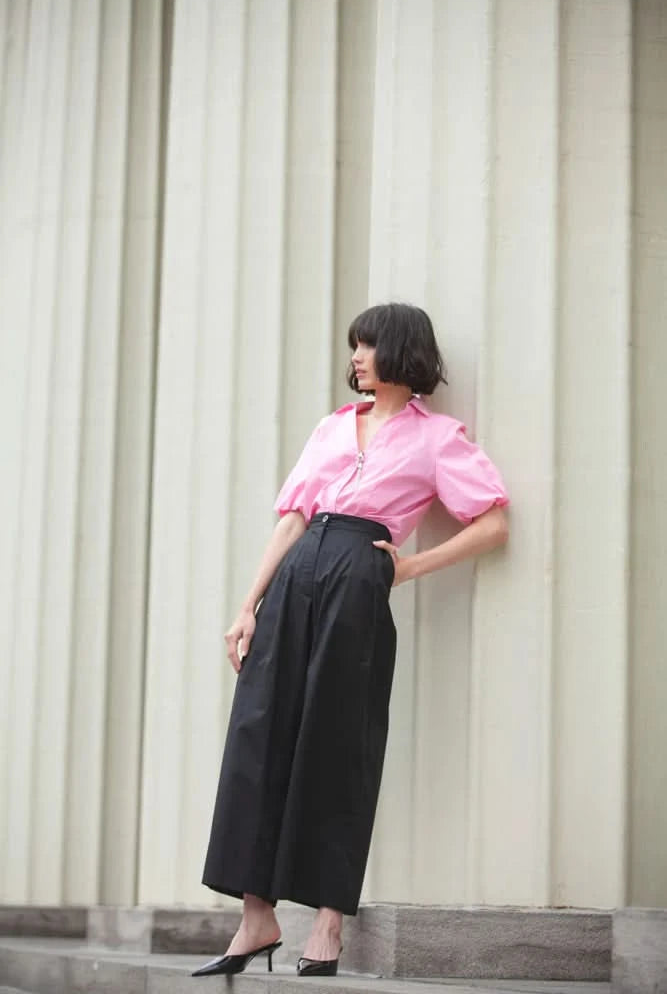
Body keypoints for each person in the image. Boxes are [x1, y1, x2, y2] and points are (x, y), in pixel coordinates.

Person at [193, 303, 509, 978]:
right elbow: (291, 520)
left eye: (366, 345)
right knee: (259, 734)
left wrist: (407, 565)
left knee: (339, 745)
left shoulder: (438, 437)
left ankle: (329, 922)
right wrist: (247, 606)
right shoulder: (332, 427)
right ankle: (256, 917)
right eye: (354, 346)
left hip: (360, 575)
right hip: (299, 572)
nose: (356, 357)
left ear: (399, 350)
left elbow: (491, 523)